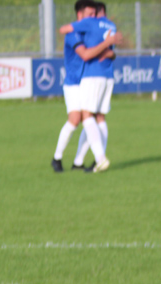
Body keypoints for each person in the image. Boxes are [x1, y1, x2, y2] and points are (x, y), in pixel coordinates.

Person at [52, 1, 119, 174]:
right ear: (79, 15)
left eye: (94, 14)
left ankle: (79, 161)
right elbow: (86, 54)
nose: (93, 18)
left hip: (89, 80)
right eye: (90, 15)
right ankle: (57, 158)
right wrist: (107, 46)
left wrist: (110, 51)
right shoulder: (73, 34)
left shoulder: (92, 30)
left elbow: (109, 52)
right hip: (75, 82)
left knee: (94, 117)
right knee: (76, 120)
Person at [72, 2, 117, 171]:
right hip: (107, 75)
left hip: (93, 75)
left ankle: (100, 158)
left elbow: (87, 54)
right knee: (100, 117)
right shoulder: (111, 26)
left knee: (87, 116)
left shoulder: (92, 28)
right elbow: (111, 52)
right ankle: (83, 160)